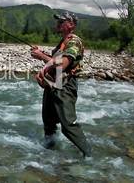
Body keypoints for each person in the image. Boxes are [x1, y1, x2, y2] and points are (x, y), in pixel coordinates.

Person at [30, 12, 92, 158]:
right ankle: (49, 152)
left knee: (68, 125)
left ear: (71, 25)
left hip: (65, 86)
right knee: (49, 121)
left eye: (62, 21)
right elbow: (54, 61)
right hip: (53, 84)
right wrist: (41, 55)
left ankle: (88, 156)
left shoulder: (74, 41)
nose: (58, 22)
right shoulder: (63, 42)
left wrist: (42, 57)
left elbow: (63, 64)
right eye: (58, 20)